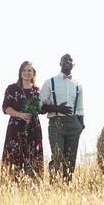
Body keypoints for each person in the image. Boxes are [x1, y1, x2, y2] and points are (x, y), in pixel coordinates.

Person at [40, 54, 84, 182]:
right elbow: (40, 106)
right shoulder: (50, 82)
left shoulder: (78, 85)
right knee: (57, 156)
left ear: (73, 64)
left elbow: (80, 108)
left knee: (71, 158)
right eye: (65, 59)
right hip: (56, 122)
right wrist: (58, 108)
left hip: (74, 123)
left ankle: (67, 186)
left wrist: (81, 125)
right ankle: (54, 185)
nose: (68, 62)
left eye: (70, 60)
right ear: (60, 63)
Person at [1, 61, 44, 181]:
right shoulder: (12, 88)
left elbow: (41, 108)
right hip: (15, 128)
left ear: (33, 73)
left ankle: (33, 187)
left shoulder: (37, 90)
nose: (26, 73)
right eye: (24, 70)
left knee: (33, 158)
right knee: (13, 158)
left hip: (33, 128)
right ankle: (11, 186)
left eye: (29, 70)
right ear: (20, 73)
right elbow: (5, 108)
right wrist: (20, 115)